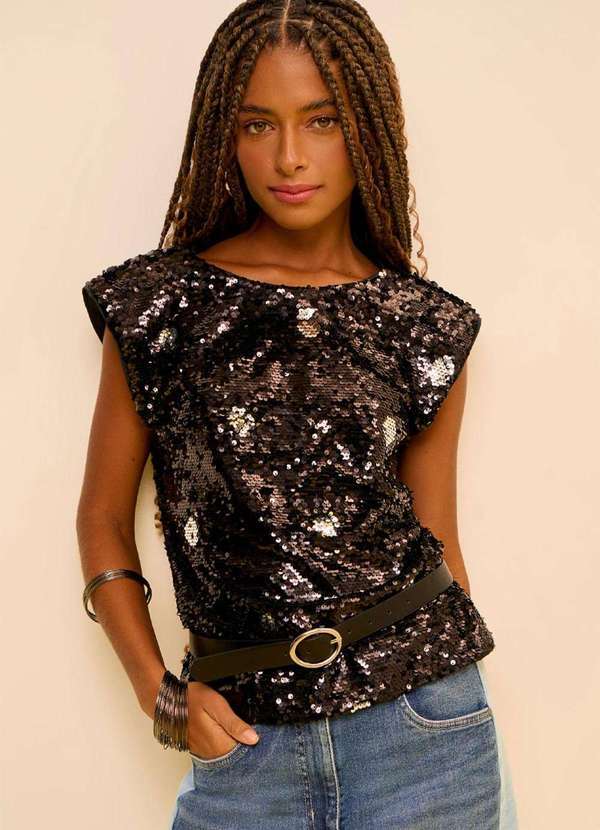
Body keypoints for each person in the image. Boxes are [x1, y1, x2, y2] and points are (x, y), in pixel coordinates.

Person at [76, 1, 519, 827]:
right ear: (226, 135)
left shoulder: (427, 325)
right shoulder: (156, 306)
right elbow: (102, 519)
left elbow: (439, 540)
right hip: (244, 744)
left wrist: (464, 709)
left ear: (368, 131)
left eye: (322, 120)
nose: (289, 156)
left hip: (427, 729)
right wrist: (158, 694)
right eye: (258, 124)